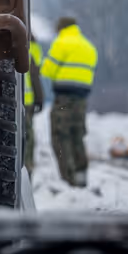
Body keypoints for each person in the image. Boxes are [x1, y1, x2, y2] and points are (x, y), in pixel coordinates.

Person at [40, 16, 98, 188]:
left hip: (64, 98)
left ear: (60, 28)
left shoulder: (62, 43)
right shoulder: (89, 47)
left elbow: (47, 70)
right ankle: (81, 178)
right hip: (81, 100)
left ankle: (68, 181)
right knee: (76, 136)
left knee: (60, 136)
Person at [23, 35, 44, 176]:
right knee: (27, 137)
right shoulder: (29, 53)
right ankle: (27, 169)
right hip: (27, 103)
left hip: (21, 103)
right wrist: (40, 99)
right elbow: (35, 77)